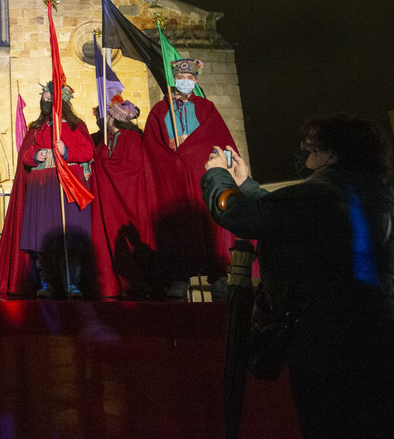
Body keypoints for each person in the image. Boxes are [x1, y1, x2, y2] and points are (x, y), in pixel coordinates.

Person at [202, 114, 394, 437]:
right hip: (380, 335)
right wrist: (247, 184)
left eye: (311, 147)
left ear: (333, 154)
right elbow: (292, 217)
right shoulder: (376, 192)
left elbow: (239, 215)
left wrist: (217, 176)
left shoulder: (318, 195)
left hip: (327, 344)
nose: (305, 152)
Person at [143, 58, 236, 297]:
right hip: (172, 177)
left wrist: (192, 148)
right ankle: (179, 277)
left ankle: (218, 275)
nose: (185, 82)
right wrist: (171, 153)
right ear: (173, 80)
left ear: (196, 80)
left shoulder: (206, 107)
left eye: (189, 78)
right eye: (180, 79)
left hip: (201, 172)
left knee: (209, 220)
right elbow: (151, 145)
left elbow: (217, 136)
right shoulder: (160, 110)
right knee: (177, 222)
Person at [16, 82, 96, 298]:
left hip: (67, 184)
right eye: (45, 97)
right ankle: (47, 284)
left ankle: (72, 284)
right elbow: (26, 153)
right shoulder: (37, 127)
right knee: (43, 238)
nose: (46, 101)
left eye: (51, 98)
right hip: (42, 186)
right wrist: (34, 156)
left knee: (69, 239)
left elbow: (88, 151)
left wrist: (67, 151)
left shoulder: (75, 125)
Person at [90, 97, 159, 298]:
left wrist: (103, 165)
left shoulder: (132, 138)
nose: (105, 119)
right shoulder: (108, 139)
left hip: (129, 200)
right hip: (111, 201)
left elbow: (131, 169)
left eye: (109, 115)